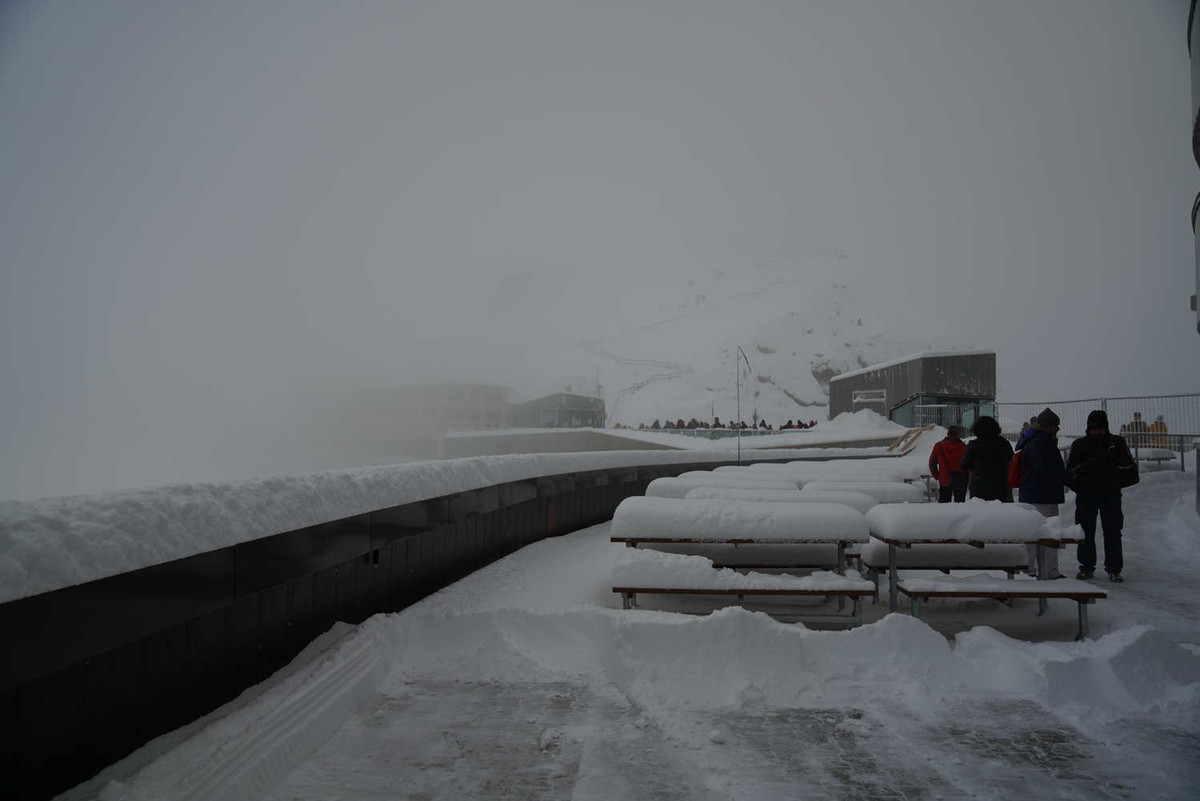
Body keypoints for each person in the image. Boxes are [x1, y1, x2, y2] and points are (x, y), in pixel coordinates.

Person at [1066, 409, 1137, 582]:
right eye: (1093, 429)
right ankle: (1086, 566)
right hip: (1086, 495)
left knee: (1112, 532)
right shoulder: (1079, 445)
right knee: (1085, 532)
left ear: (1106, 428)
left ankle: (1114, 568)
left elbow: (1129, 468)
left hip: (1110, 494)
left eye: (1100, 428)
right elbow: (1069, 473)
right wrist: (1084, 469)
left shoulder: (1117, 443)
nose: (1096, 432)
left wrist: (1111, 466)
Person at [1016, 407, 1068, 579]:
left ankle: (1037, 570)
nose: (1058, 429)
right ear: (1047, 426)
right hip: (1042, 495)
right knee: (1044, 534)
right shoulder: (1042, 443)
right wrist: (1063, 477)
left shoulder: (1037, 442)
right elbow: (1043, 469)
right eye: (1055, 426)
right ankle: (1040, 571)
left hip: (1039, 494)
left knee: (1040, 535)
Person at [959, 415, 1013, 502]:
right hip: (1002, 485)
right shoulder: (1004, 444)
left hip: (980, 487)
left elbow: (964, 464)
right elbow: (1011, 460)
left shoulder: (974, 445)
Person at [929, 425, 968, 503]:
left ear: (948, 433)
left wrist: (937, 476)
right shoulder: (964, 447)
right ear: (959, 434)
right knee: (960, 506)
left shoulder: (939, 446)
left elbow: (932, 463)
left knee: (944, 507)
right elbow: (968, 464)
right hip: (961, 480)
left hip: (945, 480)